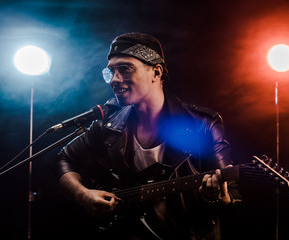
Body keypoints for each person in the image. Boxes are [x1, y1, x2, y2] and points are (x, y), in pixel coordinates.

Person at [55, 32, 241, 239]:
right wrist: (82, 195)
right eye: (111, 72)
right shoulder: (108, 123)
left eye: (125, 69)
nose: (114, 80)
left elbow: (232, 195)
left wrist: (218, 196)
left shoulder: (201, 124)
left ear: (156, 72)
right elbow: (65, 157)